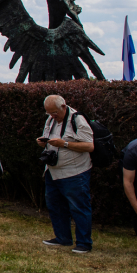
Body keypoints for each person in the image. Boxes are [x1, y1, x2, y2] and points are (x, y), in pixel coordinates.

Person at [38, 95, 95, 254]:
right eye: (49, 113)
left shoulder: (77, 120)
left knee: (79, 207)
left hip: (74, 172)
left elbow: (90, 146)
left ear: (64, 106)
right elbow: (51, 137)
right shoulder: (51, 120)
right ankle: (62, 237)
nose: (52, 116)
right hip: (53, 170)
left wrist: (65, 144)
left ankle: (84, 243)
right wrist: (44, 142)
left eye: (55, 112)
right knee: (55, 205)